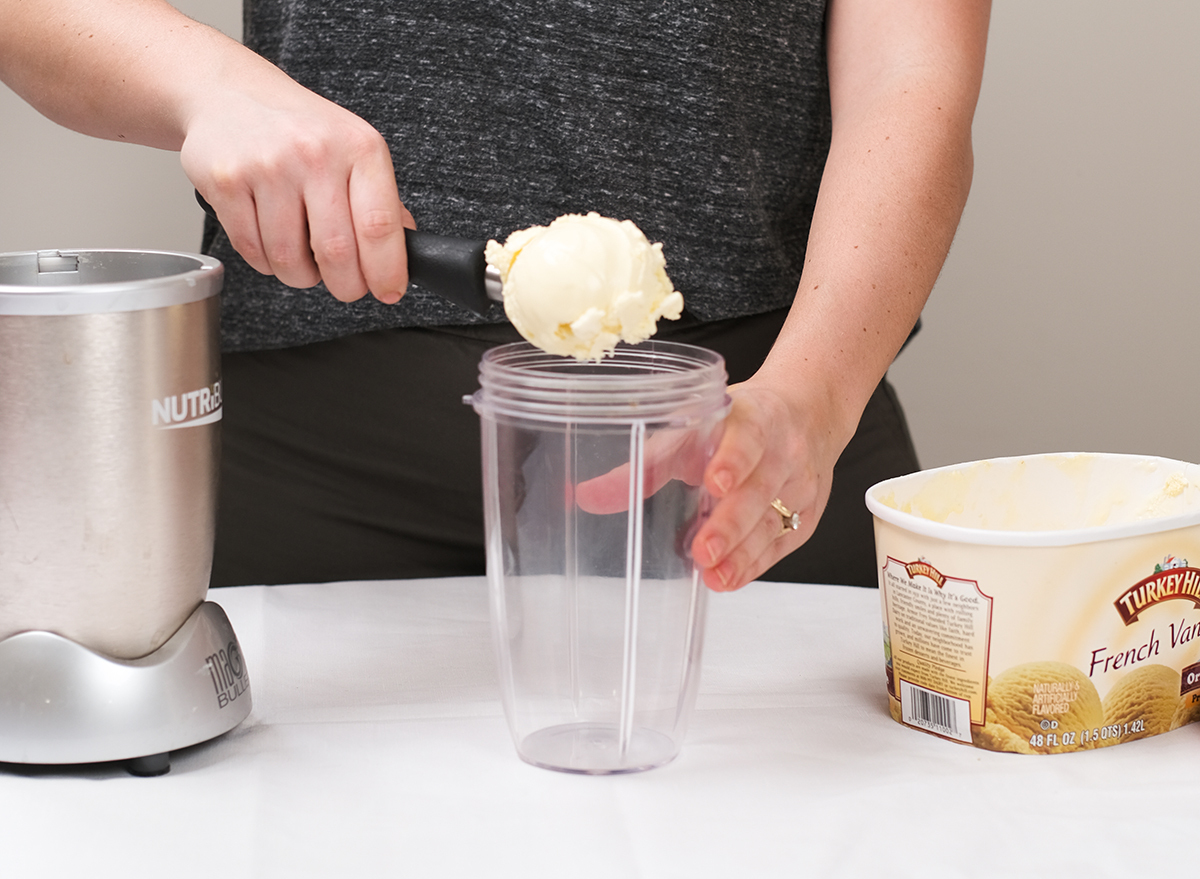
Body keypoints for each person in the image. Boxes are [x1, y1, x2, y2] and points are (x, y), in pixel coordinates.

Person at [0, 0, 991, 591]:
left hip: (744, 454)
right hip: (307, 468)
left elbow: (912, 82)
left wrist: (810, 401)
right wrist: (210, 86)